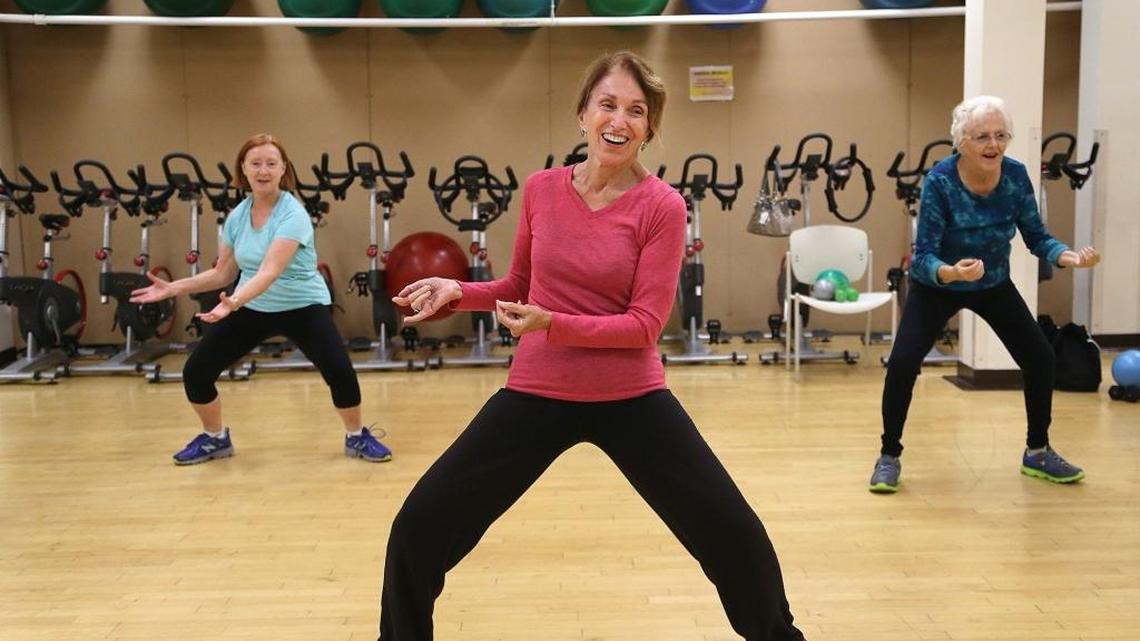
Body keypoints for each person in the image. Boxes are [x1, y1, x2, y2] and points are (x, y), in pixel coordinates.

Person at [377, 52, 805, 641]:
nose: (620, 119)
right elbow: (518, 288)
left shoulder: (662, 206)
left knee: (736, 538)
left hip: (631, 397)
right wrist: (458, 291)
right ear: (583, 114)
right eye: (608, 104)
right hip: (538, 391)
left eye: (637, 111)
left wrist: (551, 322)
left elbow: (644, 327)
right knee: (418, 527)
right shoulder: (542, 190)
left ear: (649, 128)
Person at [870, 96, 1101, 493]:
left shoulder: (1015, 177)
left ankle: (1038, 451)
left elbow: (1036, 236)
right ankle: (889, 455)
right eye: (982, 137)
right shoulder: (941, 182)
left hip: (993, 283)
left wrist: (1067, 256)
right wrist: (950, 271)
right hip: (938, 285)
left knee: (1040, 357)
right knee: (903, 363)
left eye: (1000, 135)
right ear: (961, 142)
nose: (993, 144)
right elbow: (923, 255)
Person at [129, 133, 392, 466]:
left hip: (302, 305)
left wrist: (233, 302)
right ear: (244, 169)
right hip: (253, 305)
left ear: (283, 169)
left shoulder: (292, 214)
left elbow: (269, 271)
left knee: (339, 371)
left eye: (271, 163)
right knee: (196, 371)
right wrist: (173, 288)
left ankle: (356, 436)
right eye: (256, 163)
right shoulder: (238, 216)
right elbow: (223, 272)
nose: (263, 170)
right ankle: (215, 438)